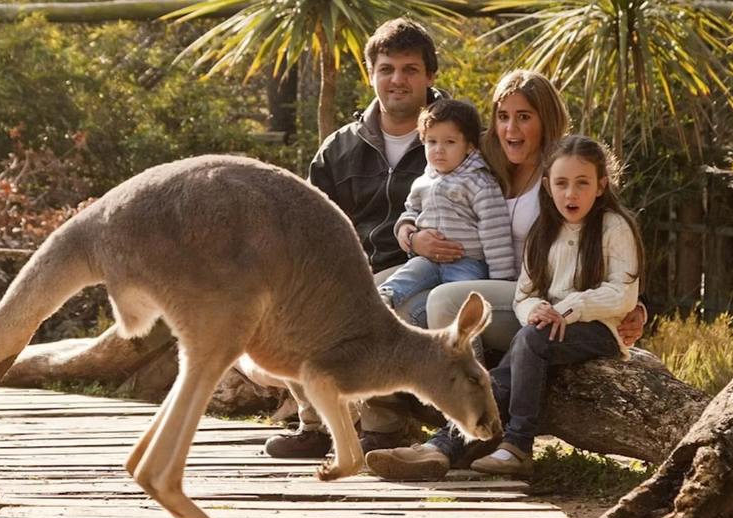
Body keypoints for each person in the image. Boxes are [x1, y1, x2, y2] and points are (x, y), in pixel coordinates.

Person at [367, 135, 645, 480]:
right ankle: (442, 447)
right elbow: (524, 294)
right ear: (548, 186)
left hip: (600, 330)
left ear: (601, 186)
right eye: (561, 184)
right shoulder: (544, 231)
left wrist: (568, 309)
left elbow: (622, 294)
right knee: (507, 369)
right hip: (547, 328)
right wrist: (536, 310)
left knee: (530, 340)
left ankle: (518, 445)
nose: (571, 194)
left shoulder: (614, 227)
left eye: (582, 183)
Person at [264, 18, 447, 459]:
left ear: (430, 76)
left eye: (410, 69)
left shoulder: (456, 136)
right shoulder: (339, 147)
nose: (397, 80)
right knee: (283, 302)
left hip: (422, 267)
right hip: (351, 267)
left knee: (375, 304)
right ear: (371, 74)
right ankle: (319, 425)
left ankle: (384, 428)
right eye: (387, 69)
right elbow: (310, 224)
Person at [396, 70, 647, 355]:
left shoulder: (564, 174)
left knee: (444, 302)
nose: (511, 128)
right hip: (471, 275)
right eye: (503, 116)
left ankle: (475, 382)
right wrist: (411, 234)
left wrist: (638, 306)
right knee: (405, 308)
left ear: (546, 120)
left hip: (534, 297)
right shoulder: (480, 160)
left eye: (524, 117)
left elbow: (612, 234)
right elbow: (431, 189)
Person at [377, 99, 516, 325]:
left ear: (469, 146)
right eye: (431, 142)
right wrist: (406, 227)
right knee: (411, 272)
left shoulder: (479, 183)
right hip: (427, 260)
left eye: (449, 142)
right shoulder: (425, 180)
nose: (438, 150)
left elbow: (495, 232)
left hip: (467, 262)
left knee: (458, 309)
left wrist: (501, 279)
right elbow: (411, 209)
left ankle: (466, 345)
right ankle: (385, 298)